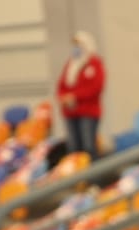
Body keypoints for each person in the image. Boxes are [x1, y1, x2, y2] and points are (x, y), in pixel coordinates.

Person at [56, 31, 105, 160]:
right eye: (74, 45)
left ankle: (93, 172)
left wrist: (74, 96)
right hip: (70, 112)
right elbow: (61, 85)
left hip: (88, 112)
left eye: (78, 45)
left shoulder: (94, 63)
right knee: (73, 148)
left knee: (88, 146)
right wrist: (63, 97)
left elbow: (95, 87)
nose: (76, 48)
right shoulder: (70, 64)